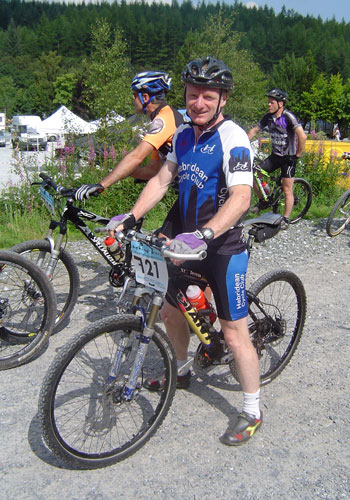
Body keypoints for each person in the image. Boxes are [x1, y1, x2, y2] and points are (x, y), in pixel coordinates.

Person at [106, 56, 262, 446]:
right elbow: (161, 179)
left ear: (222, 98)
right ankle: (182, 368)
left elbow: (241, 197)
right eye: (193, 95)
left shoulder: (234, 138)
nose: (199, 103)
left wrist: (206, 234)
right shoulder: (184, 136)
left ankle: (253, 408)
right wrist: (132, 215)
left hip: (221, 244)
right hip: (184, 241)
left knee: (234, 331)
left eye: (208, 96)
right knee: (172, 308)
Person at [74, 71, 183, 201]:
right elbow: (153, 170)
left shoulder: (163, 120)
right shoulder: (164, 117)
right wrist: (123, 172)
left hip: (195, 192)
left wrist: (101, 185)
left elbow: (137, 156)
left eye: (134, 95)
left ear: (146, 97)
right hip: (184, 192)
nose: (133, 99)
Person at [248, 89, 307, 229]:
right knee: (254, 174)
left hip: (288, 158)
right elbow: (254, 131)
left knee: (287, 189)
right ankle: (264, 200)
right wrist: (242, 143)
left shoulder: (288, 117)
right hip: (275, 156)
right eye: (268, 102)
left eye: (271, 102)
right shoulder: (268, 117)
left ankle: (285, 219)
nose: (268, 105)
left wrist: (297, 155)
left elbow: (302, 136)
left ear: (280, 103)